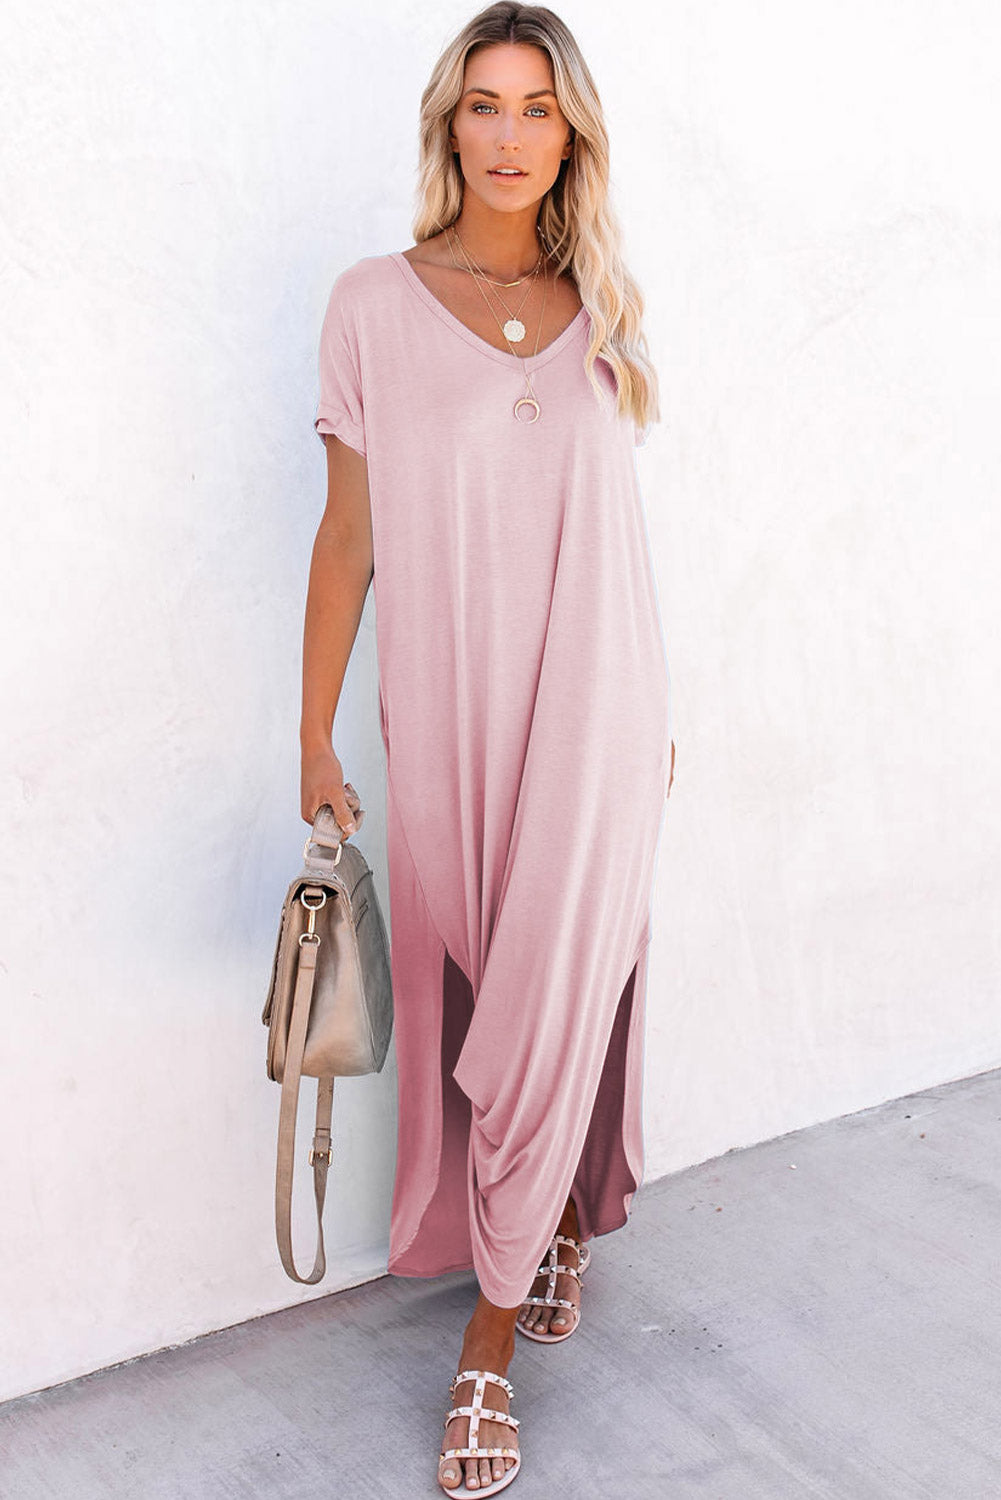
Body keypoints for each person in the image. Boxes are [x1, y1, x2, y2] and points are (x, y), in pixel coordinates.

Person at [300, 4, 675, 1492]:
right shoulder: (372, 305)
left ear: (570, 134)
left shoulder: (604, 302)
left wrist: (653, 717)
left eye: (535, 109)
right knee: (493, 999)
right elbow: (348, 539)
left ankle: (486, 1346)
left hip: (601, 710)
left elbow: (613, 537)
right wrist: (312, 732)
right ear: (446, 124)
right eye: (484, 104)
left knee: (554, 998)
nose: (509, 136)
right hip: (451, 716)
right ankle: (558, 1215)